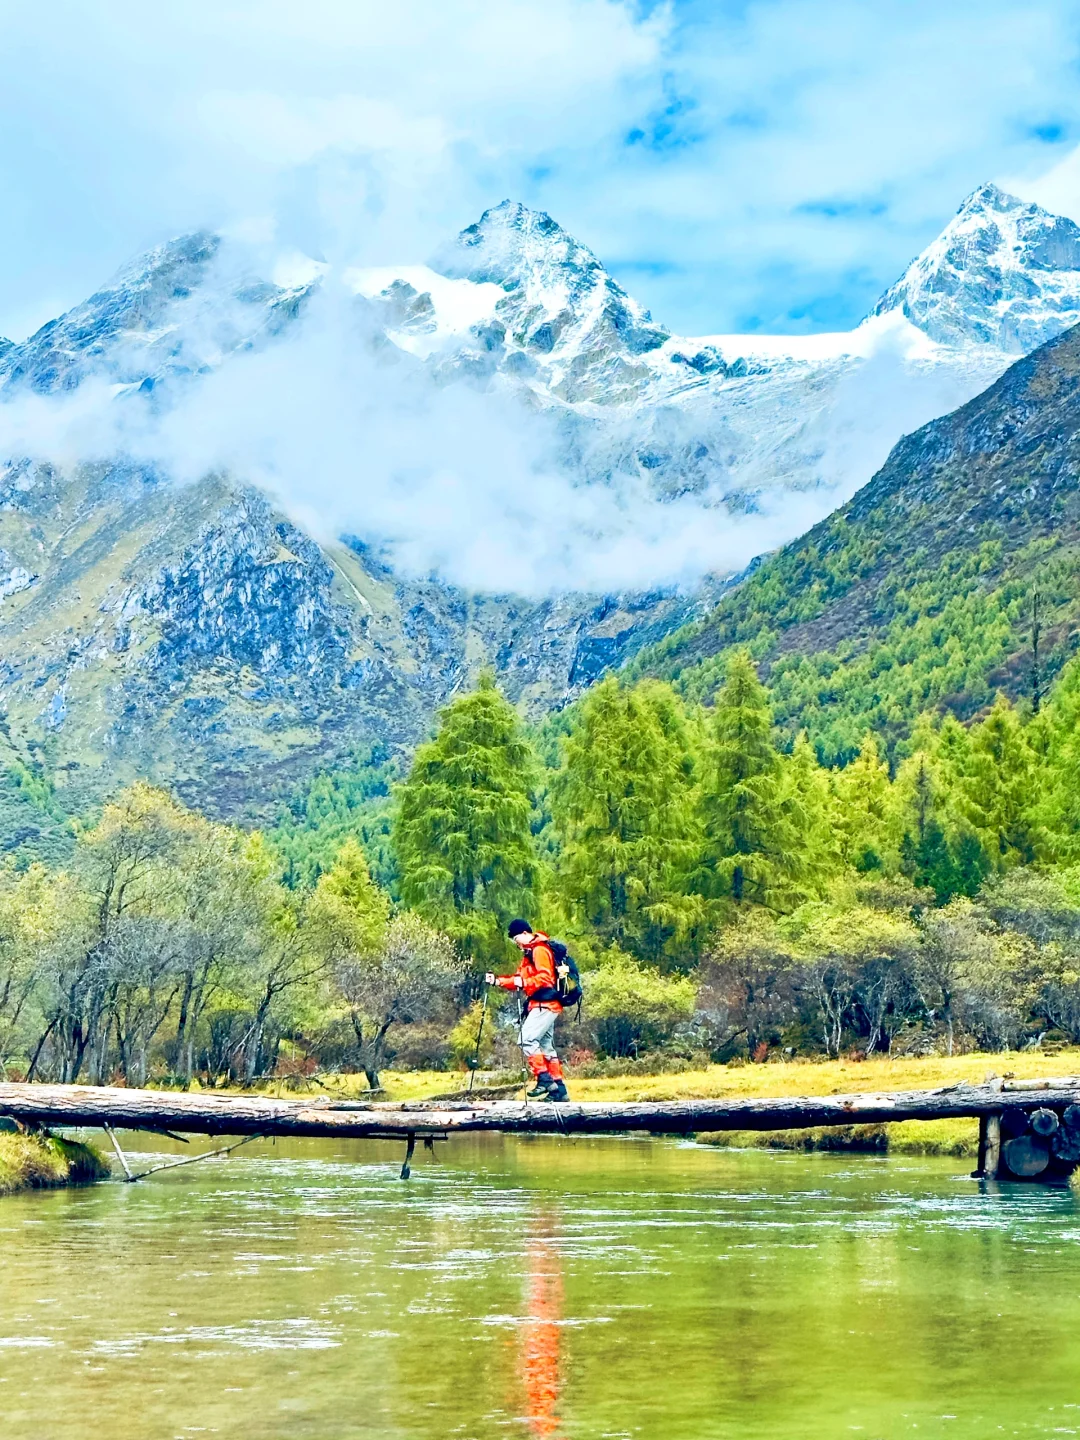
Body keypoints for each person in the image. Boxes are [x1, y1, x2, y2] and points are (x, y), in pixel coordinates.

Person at [485, 919, 570, 1102]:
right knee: (546, 1047)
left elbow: (544, 978)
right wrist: (498, 981)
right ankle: (559, 1091)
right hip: (543, 1005)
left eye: (516, 938)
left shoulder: (539, 950)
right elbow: (518, 978)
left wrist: (523, 983)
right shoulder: (529, 953)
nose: (516, 943)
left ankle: (544, 1080)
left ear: (525, 933)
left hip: (545, 1004)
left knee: (526, 1040)